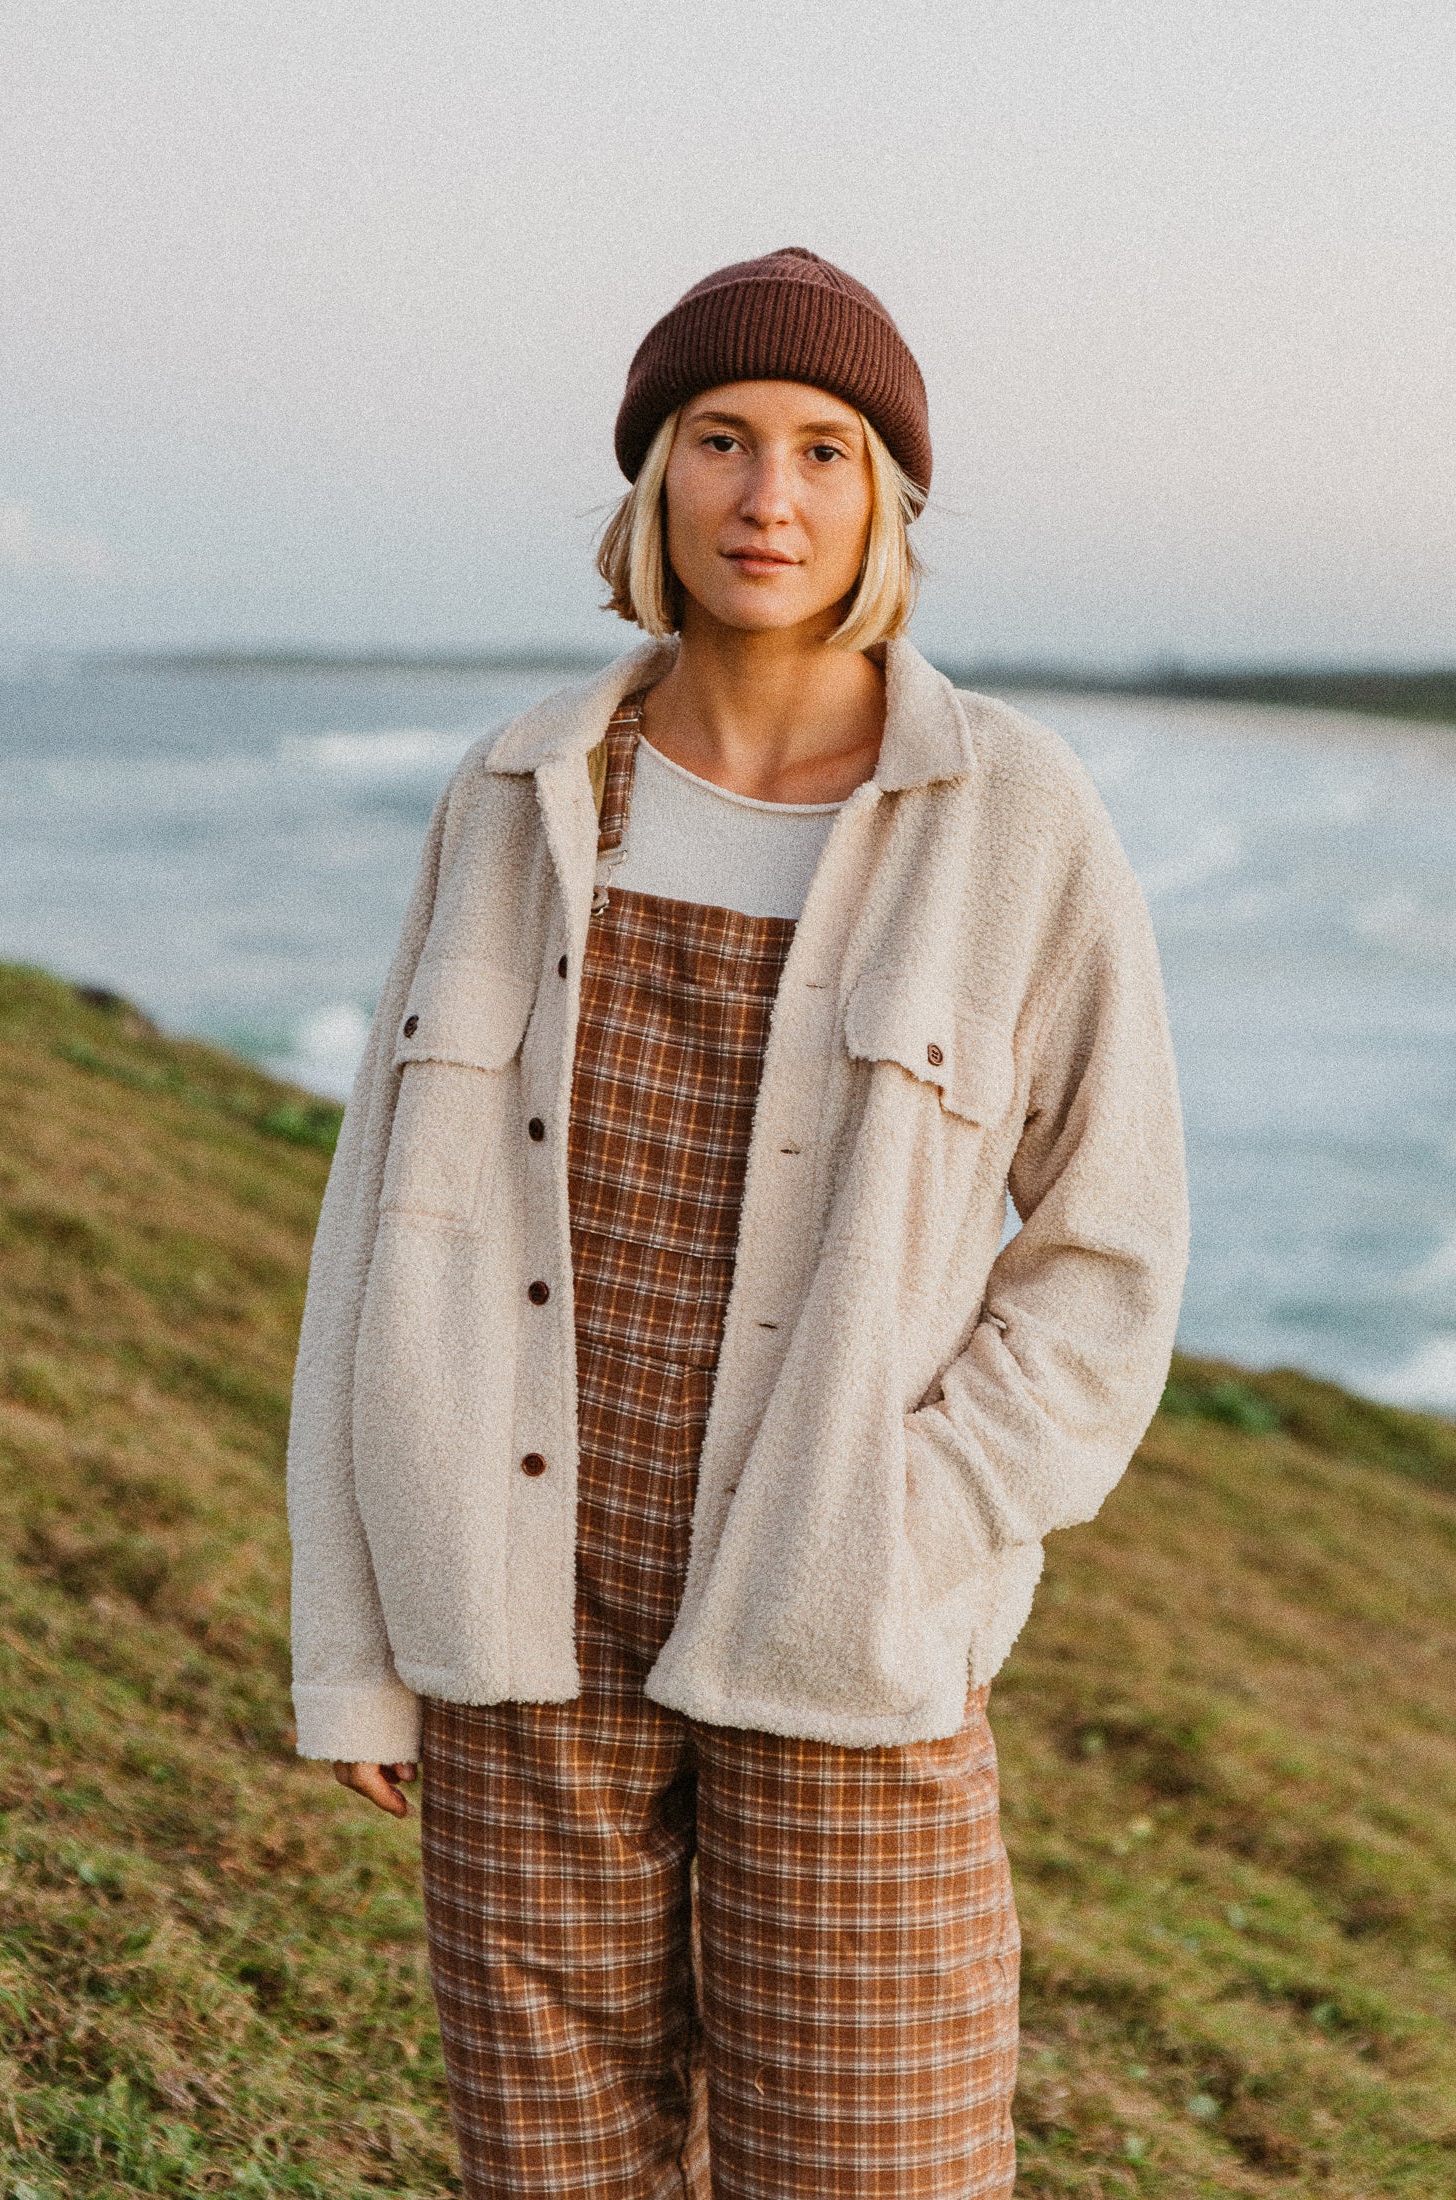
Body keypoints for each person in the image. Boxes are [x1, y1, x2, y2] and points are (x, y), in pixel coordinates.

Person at [286, 246, 1189, 2199]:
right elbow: (377, 1224)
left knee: (879, 2162)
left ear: (883, 501)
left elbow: (1108, 1256)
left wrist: (909, 1526)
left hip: (834, 1618)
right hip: (512, 1611)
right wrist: (353, 1639)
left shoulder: (1011, 815)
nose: (764, 497)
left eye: (818, 450)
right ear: (650, 481)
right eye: (716, 442)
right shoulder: (518, 787)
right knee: (555, 2170)